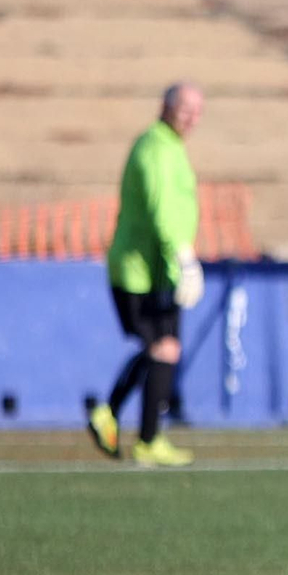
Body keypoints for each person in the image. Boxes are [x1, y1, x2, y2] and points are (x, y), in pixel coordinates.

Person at [87, 82, 207, 466]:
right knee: (164, 348)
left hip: (158, 269)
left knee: (164, 349)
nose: (192, 118)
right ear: (166, 107)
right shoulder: (156, 148)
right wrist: (184, 256)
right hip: (141, 270)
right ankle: (132, 429)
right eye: (185, 109)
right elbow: (162, 209)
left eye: (197, 111)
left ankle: (126, 425)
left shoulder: (170, 146)